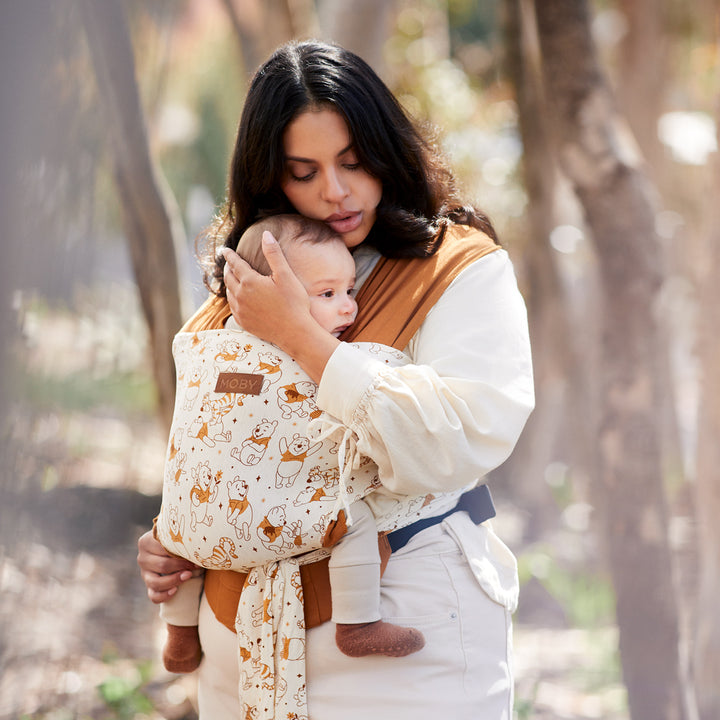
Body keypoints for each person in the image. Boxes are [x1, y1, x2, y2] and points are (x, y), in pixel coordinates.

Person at [137, 40, 534, 720]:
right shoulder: (244, 282)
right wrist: (182, 529)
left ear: (387, 148)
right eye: (303, 171)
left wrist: (302, 337)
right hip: (241, 645)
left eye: (353, 161)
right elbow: (219, 437)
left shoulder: (458, 268)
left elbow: (461, 439)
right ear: (269, 178)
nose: (336, 191)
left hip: (407, 649)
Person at [158, 213, 424, 675]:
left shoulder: (210, 345)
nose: (348, 309)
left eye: (350, 291)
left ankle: (179, 633)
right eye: (327, 294)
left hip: (209, 515)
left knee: (174, 527)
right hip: (280, 516)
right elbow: (374, 392)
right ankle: (357, 624)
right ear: (262, 292)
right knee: (354, 520)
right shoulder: (316, 355)